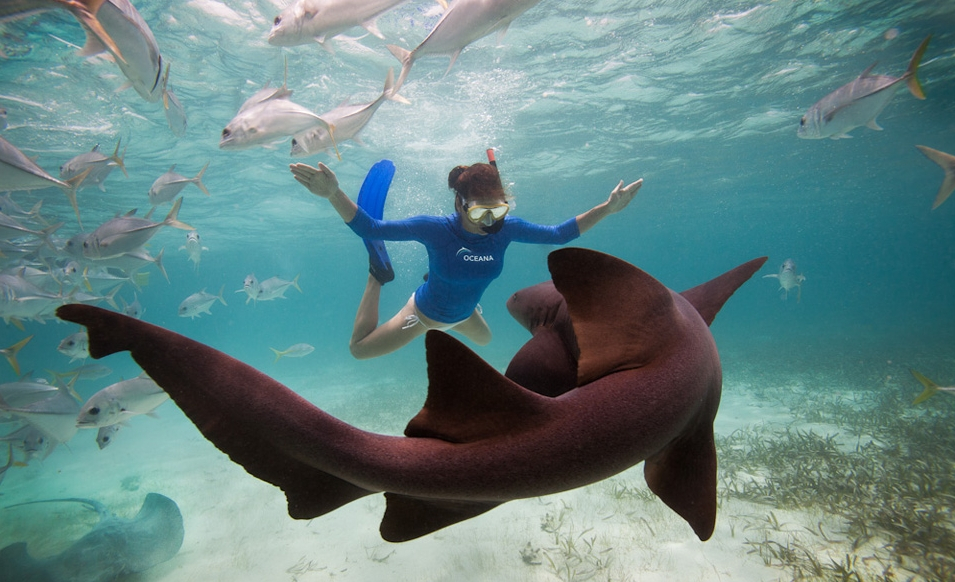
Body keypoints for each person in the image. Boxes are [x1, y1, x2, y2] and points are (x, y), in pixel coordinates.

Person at [289, 159, 642, 359]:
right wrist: (333, 193)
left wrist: (608, 209)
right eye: (479, 213)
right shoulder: (434, 229)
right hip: (424, 315)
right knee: (360, 351)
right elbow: (370, 226)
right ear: (459, 204)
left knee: (486, 341)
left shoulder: (506, 229)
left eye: (498, 211)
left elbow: (558, 234)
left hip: (463, 312)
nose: (490, 222)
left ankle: (457, 302)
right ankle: (377, 275)